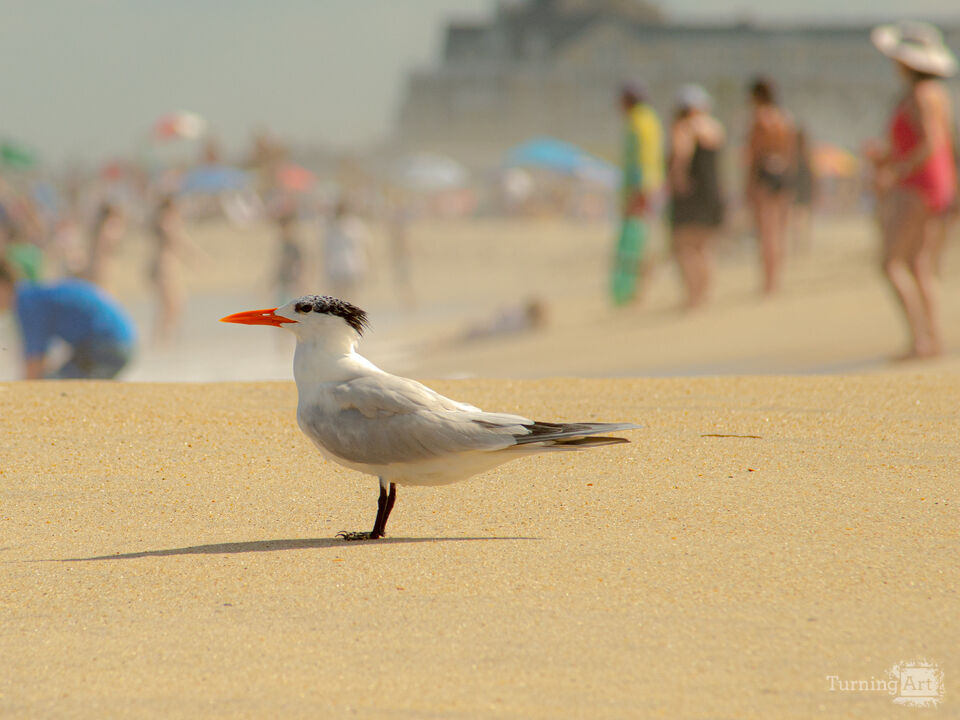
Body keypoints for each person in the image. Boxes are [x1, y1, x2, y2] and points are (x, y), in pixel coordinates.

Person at [870, 21, 958, 360]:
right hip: (939, 182)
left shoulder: (919, 96)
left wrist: (895, 171)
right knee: (919, 264)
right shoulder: (939, 94)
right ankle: (932, 338)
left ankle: (919, 339)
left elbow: (929, 144)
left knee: (891, 263)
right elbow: (944, 144)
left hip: (918, 184)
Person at [0, 258, 136, 379]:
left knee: (53, 389)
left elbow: (34, 366)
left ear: (3, 285)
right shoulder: (32, 295)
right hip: (114, 342)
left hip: (109, 346)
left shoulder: (27, 303)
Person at [668, 84, 725, 310]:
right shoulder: (715, 128)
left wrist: (677, 179)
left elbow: (681, 154)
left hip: (690, 194)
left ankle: (692, 298)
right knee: (704, 247)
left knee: (684, 247)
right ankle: (705, 296)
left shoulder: (684, 127)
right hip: (712, 192)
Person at [611, 81, 664, 306]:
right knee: (643, 240)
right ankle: (639, 291)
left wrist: (636, 192)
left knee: (635, 243)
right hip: (651, 187)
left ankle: (635, 293)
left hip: (641, 189)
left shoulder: (638, 122)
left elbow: (640, 161)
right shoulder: (651, 119)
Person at [745, 77, 797, 295]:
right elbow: (791, 151)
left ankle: (768, 282)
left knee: (766, 230)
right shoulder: (785, 118)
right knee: (780, 229)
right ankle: (778, 278)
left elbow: (753, 152)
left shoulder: (760, 118)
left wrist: (748, 183)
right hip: (783, 171)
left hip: (764, 172)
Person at [148, 194, 189, 345]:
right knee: (169, 304)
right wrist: (197, 258)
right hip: (165, 267)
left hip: (168, 266)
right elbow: (179, 242)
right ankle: (163, 338)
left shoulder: (163, 221)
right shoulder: (166, 222)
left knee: (173, 304)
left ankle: (165, 337)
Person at [322, 200, 370, 301]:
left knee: (343, 296)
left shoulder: (347, 225)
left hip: (345, 265)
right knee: (346, 296)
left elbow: (326, 249)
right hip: (346, 265)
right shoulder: (352, 225)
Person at [82, 201, 125, 288]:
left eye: (118, 227)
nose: (116, 234)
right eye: (112, 227)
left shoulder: (118, 265)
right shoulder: (83, 261)